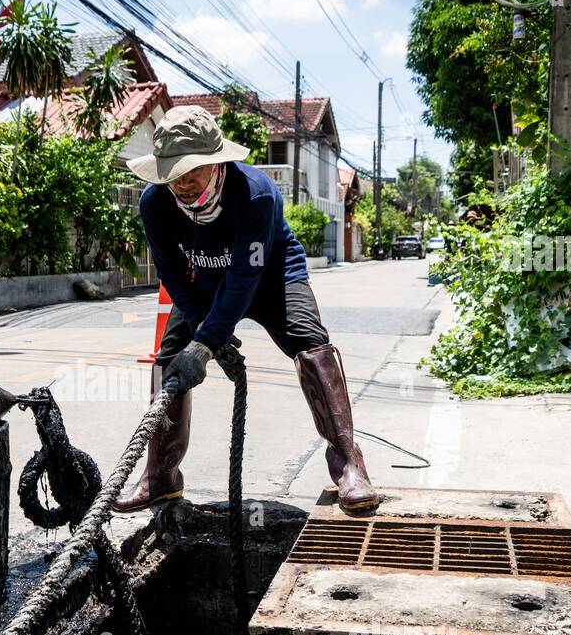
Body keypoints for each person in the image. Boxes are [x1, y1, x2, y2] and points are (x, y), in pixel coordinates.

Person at [113, 105, 380, 515]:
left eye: (191, 174)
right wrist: (202, 334)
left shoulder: (255, 194)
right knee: (171, 360)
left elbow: (243, 279)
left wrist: (207, 343)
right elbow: (172, 275)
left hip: (270, 276)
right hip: (201, 280)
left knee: (310, 343)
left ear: (215, 163)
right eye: (172, 175)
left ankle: (347, 462)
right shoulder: (155, 204)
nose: (181, 184)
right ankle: (161, 476)